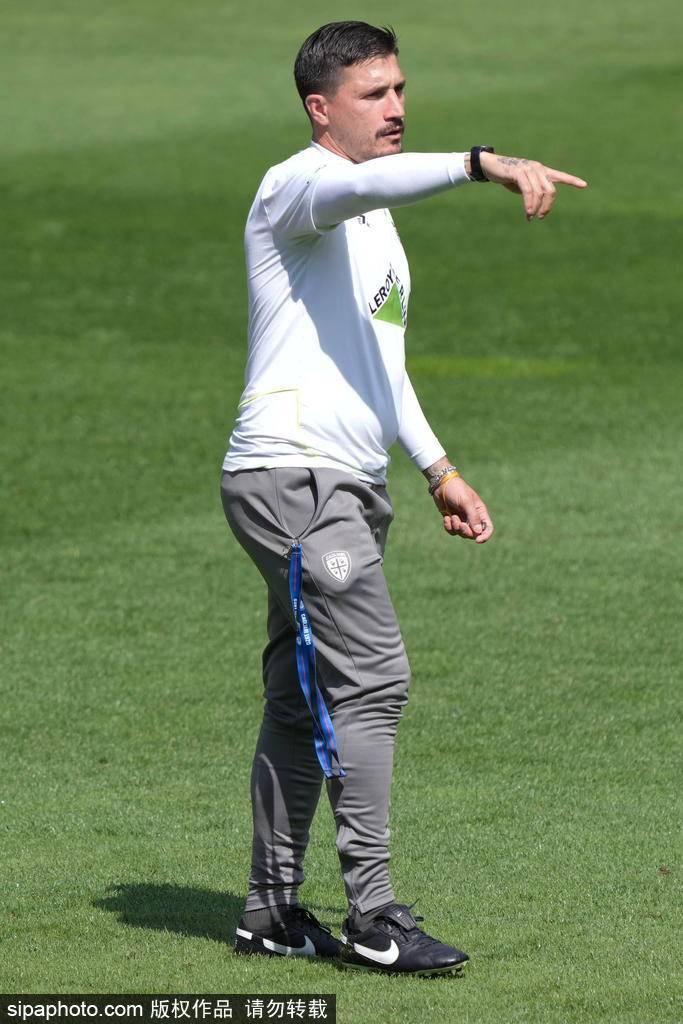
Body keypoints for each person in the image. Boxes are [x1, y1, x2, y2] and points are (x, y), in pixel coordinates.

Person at [220, 20, 587, 977]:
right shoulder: (298, 185)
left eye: (399, 89)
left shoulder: (376, 225)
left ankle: (269, 913)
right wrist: (478, 163)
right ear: (320, 108)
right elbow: (359, 185)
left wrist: (436, 467)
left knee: (300, 697)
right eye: (373, 94)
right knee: (372, 680)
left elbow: (381, 362)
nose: (395, 108)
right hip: (294, 478)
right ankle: (374, 917)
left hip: (342, 483)